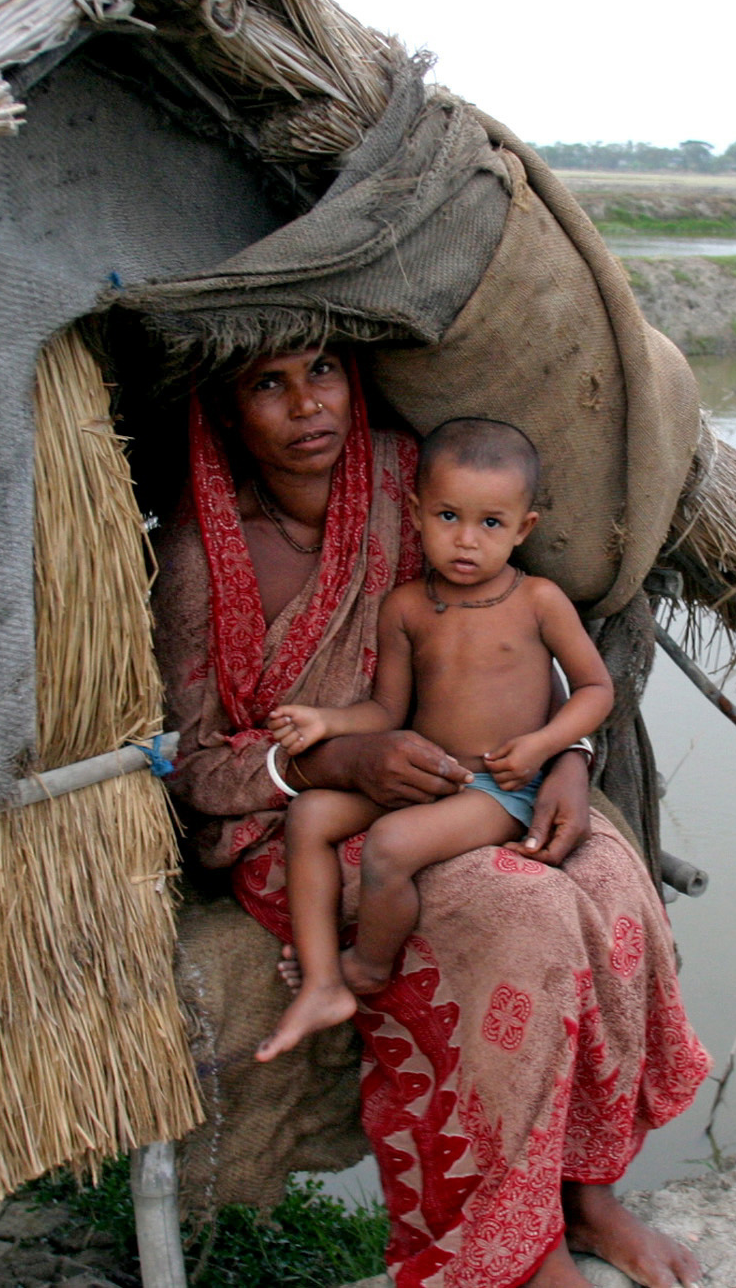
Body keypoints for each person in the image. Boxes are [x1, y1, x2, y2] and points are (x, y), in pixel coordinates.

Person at [154, 347, 710, 1288]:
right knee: (518, 914)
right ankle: (516, 1251)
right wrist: (338, 753)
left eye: (322, 369)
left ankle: (587, 1192)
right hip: (301, 814)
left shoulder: (409, 480)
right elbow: (196, 764)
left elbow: (522, 642)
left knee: (611, 879)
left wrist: (570, 755)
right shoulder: (199, 551)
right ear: (223, 408)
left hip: (484, 772)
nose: (306, 404)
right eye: (267, 384)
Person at [256, 418, 615, 1061]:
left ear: (523, 528)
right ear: (418, 513)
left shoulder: (538, 600)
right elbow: (386, 708)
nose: (467, 541)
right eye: (448, 516)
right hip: (431, 775)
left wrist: (541, 747)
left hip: (503, 787)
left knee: (390, 846)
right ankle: (320, 982)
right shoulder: (407, 607)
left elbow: (595, 690)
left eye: (491, 524)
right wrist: (326, 722)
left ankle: (366, 967)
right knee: (310, 815)